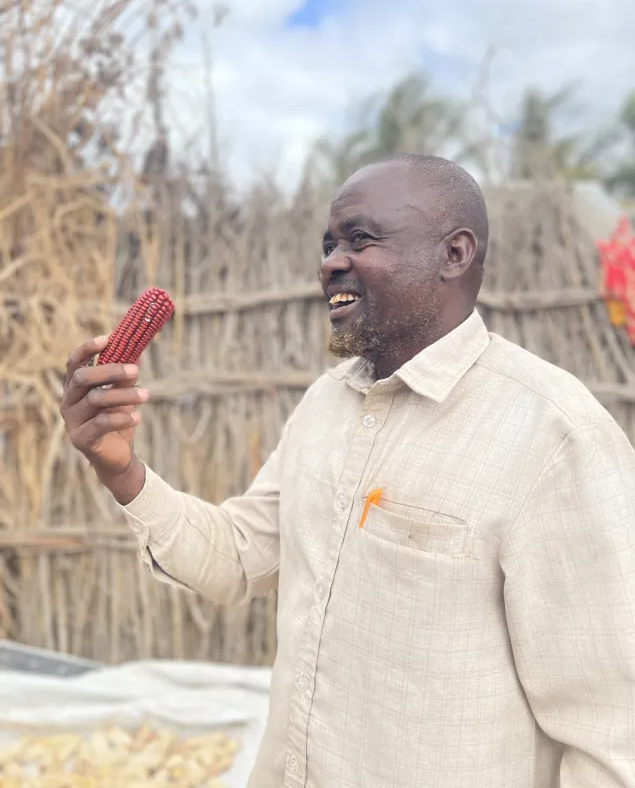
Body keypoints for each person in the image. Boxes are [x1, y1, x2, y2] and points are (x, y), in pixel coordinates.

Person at [61, 154, 635, 787]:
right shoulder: (325, 406)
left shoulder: (554, 437)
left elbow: (614, 737)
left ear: (455, 253)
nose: (331, 261)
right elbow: (238, 557)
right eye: (330, 243)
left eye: (361, 239)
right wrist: (122, 470)